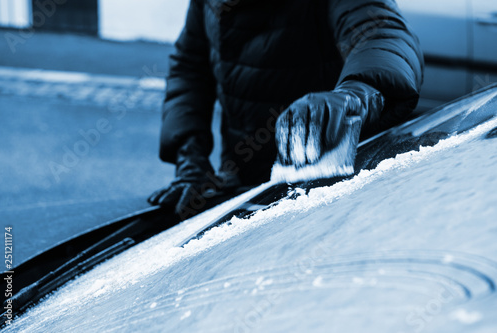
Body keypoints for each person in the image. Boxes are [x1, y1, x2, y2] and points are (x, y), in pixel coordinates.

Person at [148, 0, 424, 219]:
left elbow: (382, 33)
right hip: (244, 190)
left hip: (334, 190)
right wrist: (191, 161)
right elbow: (189, 68)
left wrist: (356, 93)